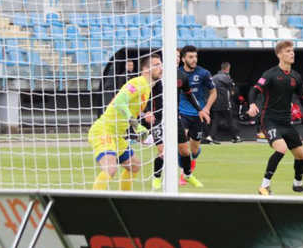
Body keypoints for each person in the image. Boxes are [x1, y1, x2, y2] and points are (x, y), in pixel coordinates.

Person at [247, 40, 303, 195]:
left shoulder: (296, 77)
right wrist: (251, 104)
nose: (292, 54)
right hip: (269, 120)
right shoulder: (270, 74)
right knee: (281, 149)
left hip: (285, 122)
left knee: (301, 155)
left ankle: (297, 185)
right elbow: (254, 90)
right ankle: (264, 186)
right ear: (279, 54)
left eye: (292, 51)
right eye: (288, 51)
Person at [88, 54, 162, 191]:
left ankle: (124, 198)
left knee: (134, 165)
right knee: (110, 168)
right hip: (104, 130)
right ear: (146, 69)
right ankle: (93, 203)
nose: (161, 68)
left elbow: (127, 107)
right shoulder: (137, 83)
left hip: (117, 135)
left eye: (161, 64)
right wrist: (136, 125)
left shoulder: (147, 87)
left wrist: (143, 115)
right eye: (156, 65)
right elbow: (119, 102)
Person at [145, 48, 203, 190]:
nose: (176, 58)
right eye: (174, 55)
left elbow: (189, 95)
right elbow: (146, 92)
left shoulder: (181, 76)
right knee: (163, 151)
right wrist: (147, 111)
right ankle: (157, 178)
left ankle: (188, 175)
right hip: (158, 119)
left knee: (184, 151)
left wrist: (200, 110)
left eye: (178, 56)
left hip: (174, 118)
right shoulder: (158, 74)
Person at [178, 45, 215, 187]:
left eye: (195, 57)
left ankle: (192, 160)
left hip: (197, 115)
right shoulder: (177, 73)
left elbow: (213, 92)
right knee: (182, 148)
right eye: (190, 57)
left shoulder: (204, 73)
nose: (194, 60)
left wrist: (206, 108)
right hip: (182, 114)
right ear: (183, 59)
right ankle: (184, 174)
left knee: (193, 150)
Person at [209, 62, 241, 144]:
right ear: (227, 68)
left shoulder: (213, 77)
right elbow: (233, 91)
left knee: (215, 121)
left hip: (215, 102)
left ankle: (210, 137)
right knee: (230, 120)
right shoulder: (226, 77)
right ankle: (236, 137)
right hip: (225, 103)